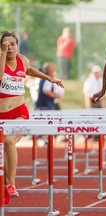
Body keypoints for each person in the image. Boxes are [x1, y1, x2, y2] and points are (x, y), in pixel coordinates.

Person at [0, 30, 64, 205]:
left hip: (19, 112)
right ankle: (5, 185)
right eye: (6, 44)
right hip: (1, 114)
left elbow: (28, 70)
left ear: (17, 45)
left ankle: (11, 184)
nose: (10, 47)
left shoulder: (23, 60)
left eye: (12, 44)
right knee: (1, 152)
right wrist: (3, 54)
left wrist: (49, 78)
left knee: (9, 142)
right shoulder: (1, 60)